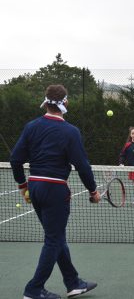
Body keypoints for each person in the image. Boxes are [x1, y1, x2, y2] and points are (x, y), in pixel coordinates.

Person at [10, 85, 100, 299]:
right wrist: (93, 191)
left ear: (46, 102)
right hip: (55, 189)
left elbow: (15, 159)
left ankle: (73, 282)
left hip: (35, 186)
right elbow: (82, 166)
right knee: (53, 239)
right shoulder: (71, 131)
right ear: (65, 103)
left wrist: (23, 186)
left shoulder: (32, 126)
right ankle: (33, 289)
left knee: (56, 236)